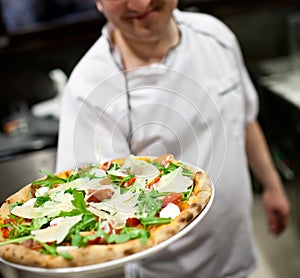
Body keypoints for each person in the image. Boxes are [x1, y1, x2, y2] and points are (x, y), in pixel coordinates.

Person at [56, 1, 290, 277]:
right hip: (164, 271)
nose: (140, 3)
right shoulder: (89, 86)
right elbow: (93, 202)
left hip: (238, 255)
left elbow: (244, 119)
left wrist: (272, 185)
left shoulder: (216, 36)